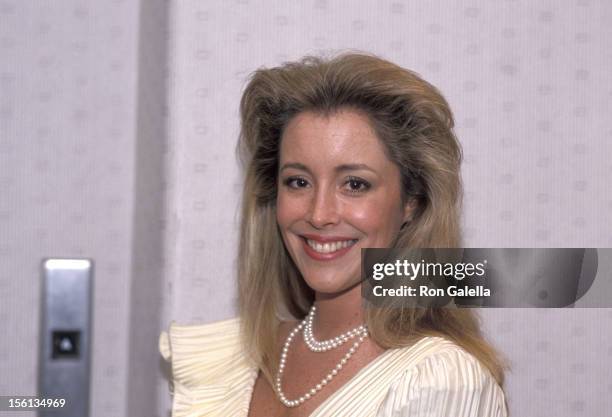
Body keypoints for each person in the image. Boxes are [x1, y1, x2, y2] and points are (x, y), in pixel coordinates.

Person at [159, 52, 509, 417]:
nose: (319, 214)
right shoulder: (231, 361)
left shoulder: (442, 380)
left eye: (355, 184)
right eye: (298, 182)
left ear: (412, 202)